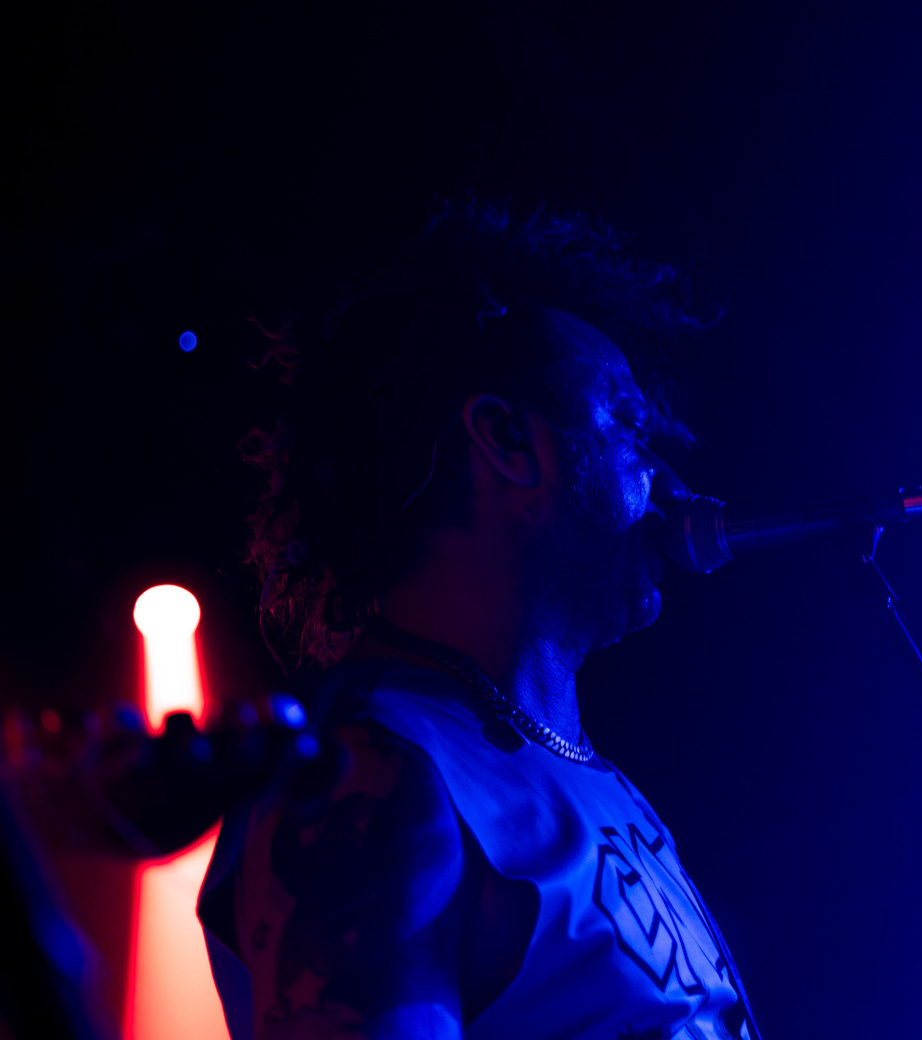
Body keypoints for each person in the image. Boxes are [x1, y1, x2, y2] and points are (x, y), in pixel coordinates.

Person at [199, 201, 759, 1039]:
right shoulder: (368, 772)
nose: (670, 480)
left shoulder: (586, 777)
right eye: (629, 426)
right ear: (507, 439)